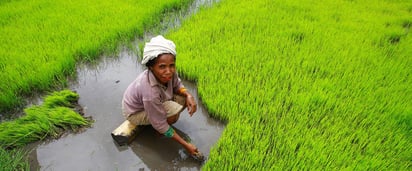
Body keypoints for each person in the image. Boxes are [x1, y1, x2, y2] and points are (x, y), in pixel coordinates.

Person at [121, 35, 201, 157]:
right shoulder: (150, 92)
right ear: (151, 67)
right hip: (135, 112)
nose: (168, 71)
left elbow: (177, 84)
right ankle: (159, 132)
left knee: (184, 99)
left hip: (153, 102)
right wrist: (186, 145)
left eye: (171, 65)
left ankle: (161, 123)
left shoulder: (169, 73)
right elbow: (160, 123)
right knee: (171, 116)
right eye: (162, 66)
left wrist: (189, 95)